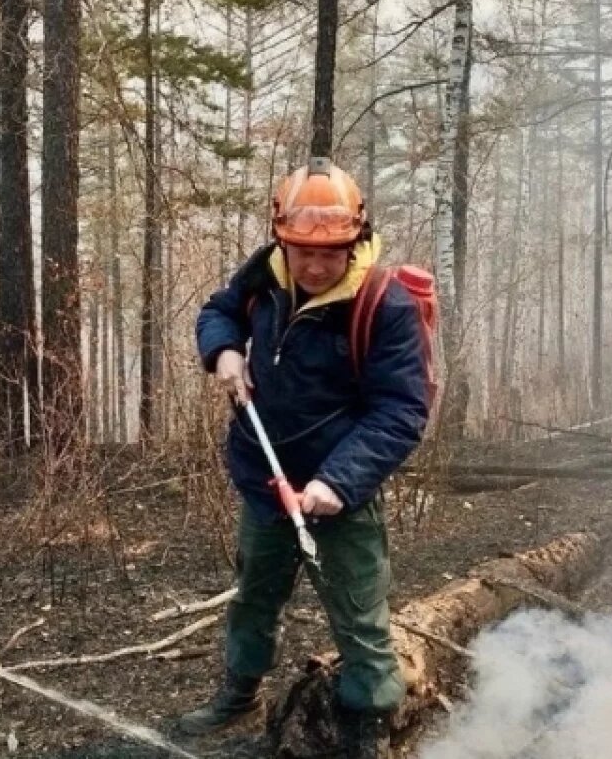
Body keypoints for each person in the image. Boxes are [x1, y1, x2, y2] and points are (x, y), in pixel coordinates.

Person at [184, 157, 430, 758]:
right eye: (302, 252)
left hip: (339, 499)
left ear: (357, 239)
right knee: (254, 599)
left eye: (333, 252)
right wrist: (223, 353)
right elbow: (217, 310)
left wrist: (338, 482)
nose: (317, 265)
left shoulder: (386, 305)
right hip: (265, 484)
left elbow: (401, 411)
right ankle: (240, 692)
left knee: (361, 622)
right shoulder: (265, 274)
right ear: (281, 239)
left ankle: (367, 728)